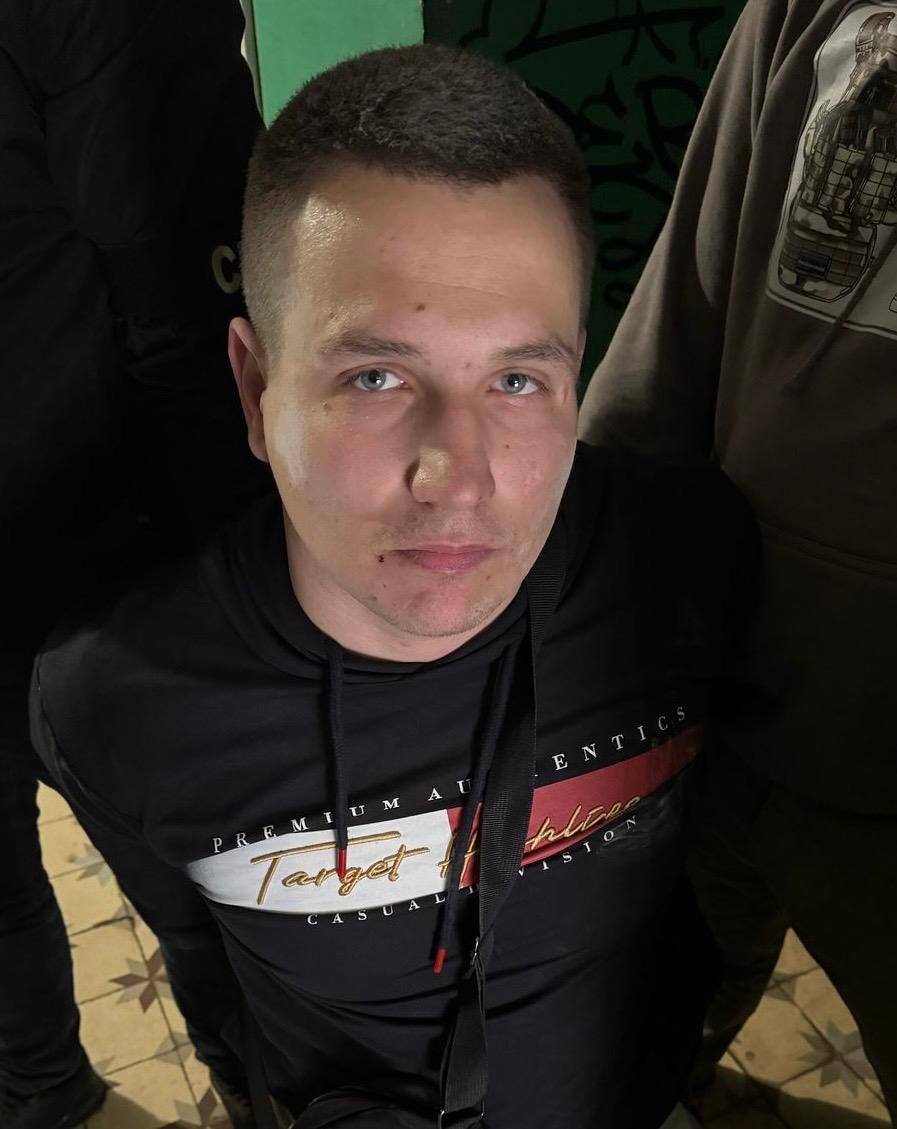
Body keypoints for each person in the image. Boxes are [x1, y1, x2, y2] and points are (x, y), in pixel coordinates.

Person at [30, 44, 756, 1129]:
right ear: (256, 389)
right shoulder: (117, 701)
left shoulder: (687, 559)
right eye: (376, 376)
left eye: (517, 379)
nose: (457, 476)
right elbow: (203, 968)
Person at [579, 0, 897, 1117]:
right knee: (647, 1022)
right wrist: (579, 611)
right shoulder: (815, 14)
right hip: (710, 708)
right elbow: (679, 317)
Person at [0, 1, 269, 1126]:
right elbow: (192, 292)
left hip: (90, 540)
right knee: (216, 896)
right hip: (98, 555)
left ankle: (41, 1092)